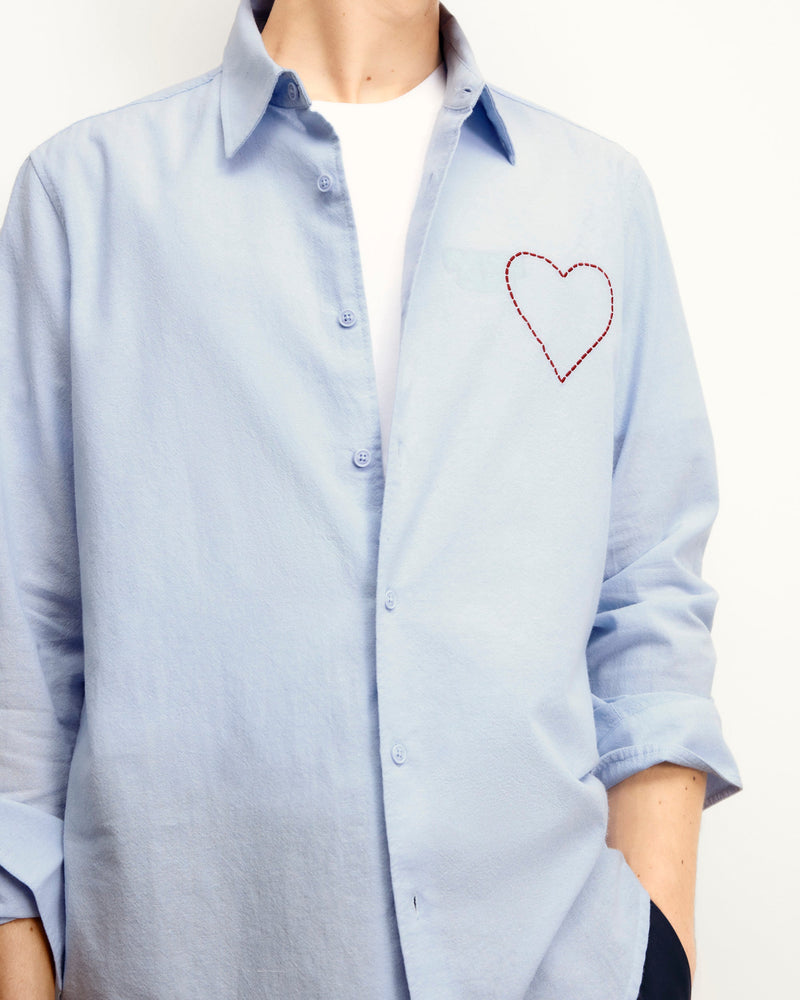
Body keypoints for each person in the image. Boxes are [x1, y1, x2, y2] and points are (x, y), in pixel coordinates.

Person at [0, 1, 743, 997]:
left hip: (554, 966)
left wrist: (658, 940)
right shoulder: (86, 199)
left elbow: (647, 590)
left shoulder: (592, 197)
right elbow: (21, 649)